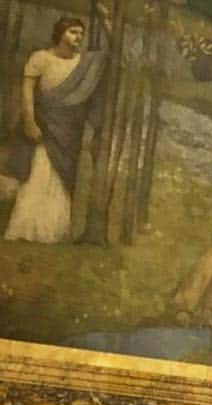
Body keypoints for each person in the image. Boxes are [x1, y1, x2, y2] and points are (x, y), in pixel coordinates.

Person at [4, 9, 109, 243]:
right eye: (73, 32)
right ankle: (26, 228)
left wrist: (106, 20)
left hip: (69, 132)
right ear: (60, 33)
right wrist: (30, 121)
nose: (78, 37)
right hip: (44, 126)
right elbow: (27, 94)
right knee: (39, 172)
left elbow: (106, 54)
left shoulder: (83, 63)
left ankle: (53, 232)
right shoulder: (40, 58)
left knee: (61, 179)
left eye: (81, 33)